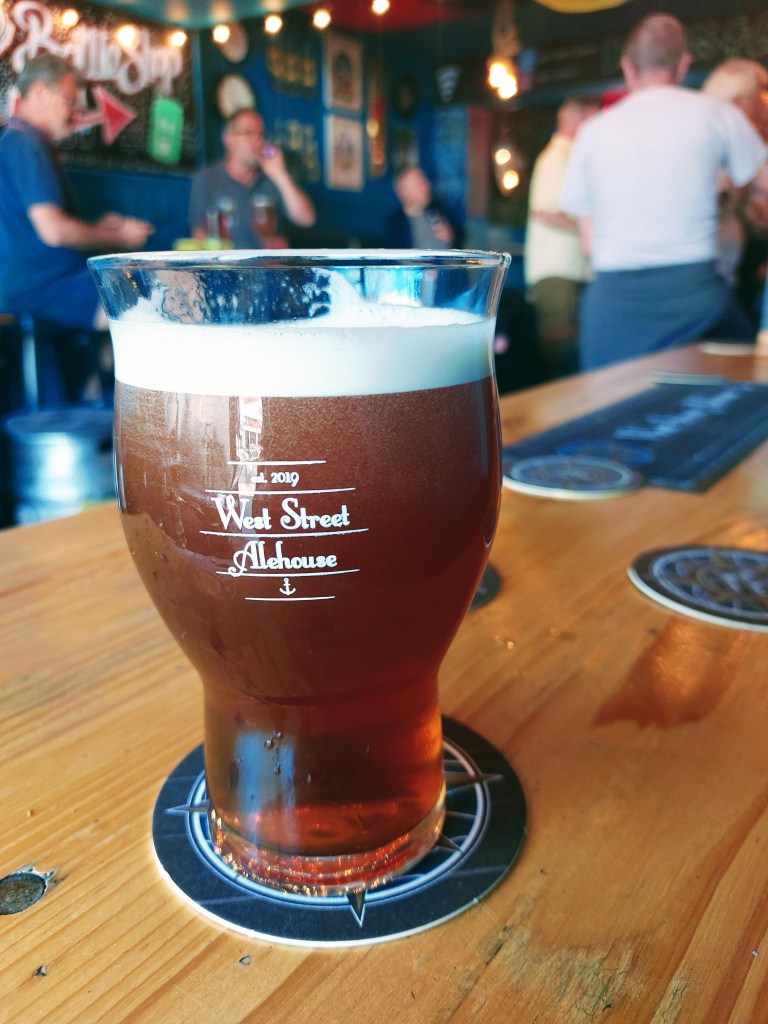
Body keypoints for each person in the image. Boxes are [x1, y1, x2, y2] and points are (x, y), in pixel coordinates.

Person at [560, 14, 767, 370]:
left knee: (609, 403)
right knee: (734, 396)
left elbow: (589, 245)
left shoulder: (592, 133)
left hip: (614, 311)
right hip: (698, 301)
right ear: (683, 64)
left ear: (627, 68)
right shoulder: (718, 115)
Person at [0, 54, 154, 333]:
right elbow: (54, 232)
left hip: (26, 283)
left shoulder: (13, 142)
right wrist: (120, 237)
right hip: (42, 286)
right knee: (147, 308)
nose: (77, 114)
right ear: (40, 92)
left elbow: (33, 230)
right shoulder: (26, 145)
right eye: (70, 101)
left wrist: (97, 229)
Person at [524, 96, 600, 378]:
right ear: (574, 120)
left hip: (567, 270)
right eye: (590, 119)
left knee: (570, 351)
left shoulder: (569, 157)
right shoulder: (556, 157)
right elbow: (543, 212)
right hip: (557, 271)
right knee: (561, 352)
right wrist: (591, 229)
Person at [702, 59, 768, 329]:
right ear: (742, 101)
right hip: (717, 280)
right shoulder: (728, 137)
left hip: (731, 274)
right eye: (763, 94)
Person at [188, 108, 316, 248]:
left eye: (261, 135)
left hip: (268, 262)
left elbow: (306, 219)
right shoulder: (207, 179)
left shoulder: (272, 179)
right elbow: (198, 234)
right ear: (228, 138)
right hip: (226, 261)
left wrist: (280, 174)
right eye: (249, 133)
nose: (258, 141)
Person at [385, 166, 463, 249]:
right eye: (419, 184)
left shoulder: (439, 208)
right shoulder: (396, 226)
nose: (427, 186)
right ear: (404, 194)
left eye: (424, 180)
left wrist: (452, 236)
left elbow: (461, 237)